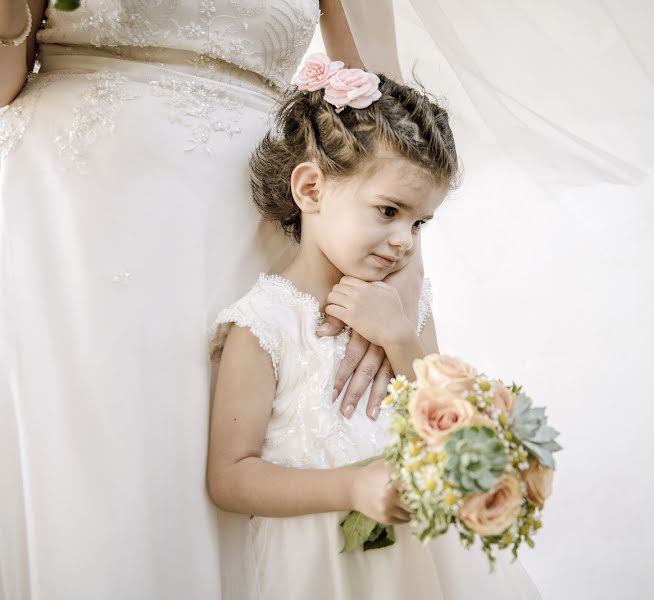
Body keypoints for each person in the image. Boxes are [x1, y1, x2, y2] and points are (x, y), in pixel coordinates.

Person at [0, 2, 416, 598]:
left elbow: (388, 121)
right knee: (80, 476)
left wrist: (390, 302)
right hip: (64, 220)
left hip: (242, 223)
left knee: (223, 456)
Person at [206, 55, 540, 599]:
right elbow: (230, 476)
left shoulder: (405, 306)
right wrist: (353, 487)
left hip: (421, 562)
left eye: (419, 222)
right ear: (311, 190)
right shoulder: (263, 324)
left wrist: (401, 337)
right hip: (322, 569)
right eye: (389, 211)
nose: (406, 241)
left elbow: (446, 420)